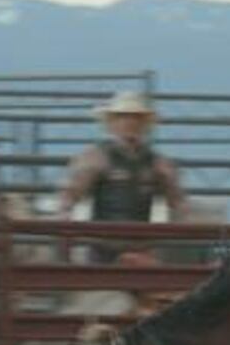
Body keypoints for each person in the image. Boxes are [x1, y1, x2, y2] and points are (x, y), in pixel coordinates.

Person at [58, 91, 189, 262]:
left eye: (135, 117)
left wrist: (170, 236)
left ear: (144, 123)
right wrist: (65, 222)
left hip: (140, 247)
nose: (129, 122)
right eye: (122, 117)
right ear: (111, 123)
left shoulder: (157, 163)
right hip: (103, 245)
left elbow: (178, 202)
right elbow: (69, 195)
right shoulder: (96, 157)